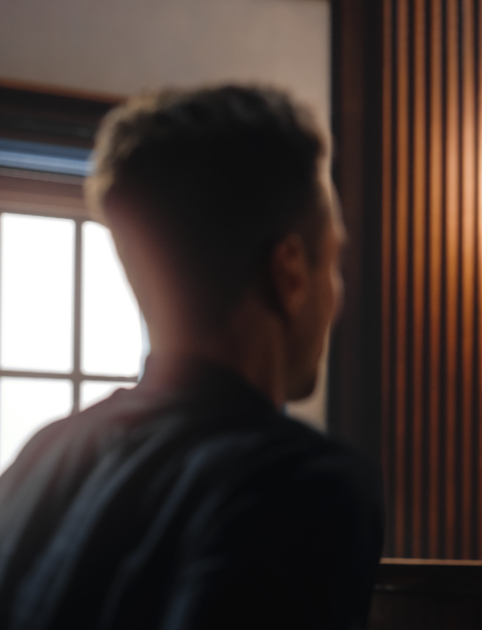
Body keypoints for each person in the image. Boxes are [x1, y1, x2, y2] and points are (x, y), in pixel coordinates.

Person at [0, 86, 382, 629]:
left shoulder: (44, 455)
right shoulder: (301, 484)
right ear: (291, 271)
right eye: (334, 262)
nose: (337, 295)